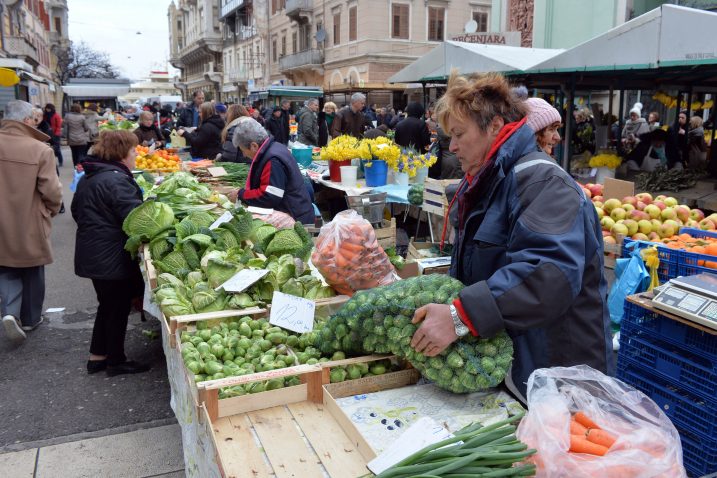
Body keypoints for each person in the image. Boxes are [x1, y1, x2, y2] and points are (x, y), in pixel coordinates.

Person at [408, 72, 612, 402]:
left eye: (459, 134)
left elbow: (547, 275)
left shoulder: (542, 183)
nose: (453, 146)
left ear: (494, 126)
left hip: (558, 383)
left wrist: (460, 317)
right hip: (520, 373)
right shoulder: (491, 181)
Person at [71, 130, 150, 376]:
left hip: (94, 251)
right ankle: (116, 361)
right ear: (122, 152)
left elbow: (76, 211)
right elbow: (135, 219)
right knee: (116, 307)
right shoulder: (115, 180)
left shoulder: (90, 176)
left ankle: (98, 357)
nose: (136, 154)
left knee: (107, 305)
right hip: (111, 254)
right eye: (133, 149)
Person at [0, 101, 63, 342]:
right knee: (32, 269)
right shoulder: (39, 149)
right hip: (29, 217)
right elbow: (52, 190)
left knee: (5, 268)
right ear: (26, 121)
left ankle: (9, 312)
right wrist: (50, 210)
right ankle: (30, 318)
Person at [232, 118, 314, 224]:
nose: (244, 155)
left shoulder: (272, 160)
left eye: (243, 150)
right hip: (295, 211)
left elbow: (269, 196)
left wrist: (241, 194)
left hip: (294, 217)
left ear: (254, 146)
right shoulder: (274, 147)